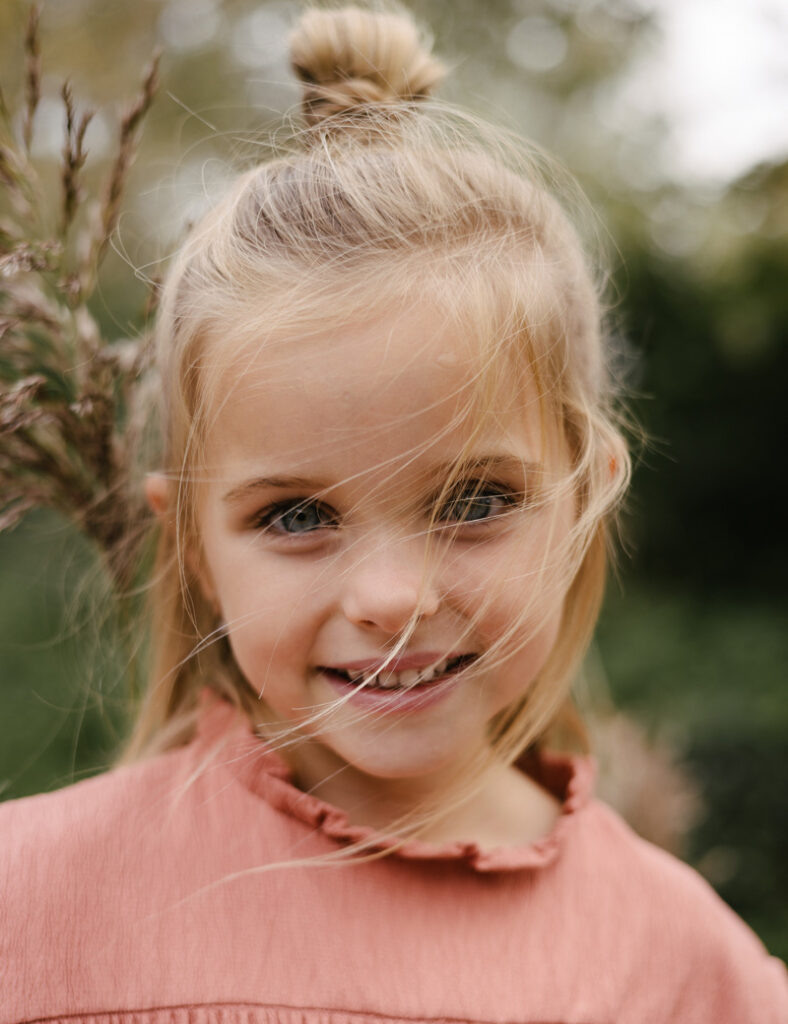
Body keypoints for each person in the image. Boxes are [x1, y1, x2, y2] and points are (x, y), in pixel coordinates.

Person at [2, 6, 786, 1022]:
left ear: (583, 497)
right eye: (294, 516)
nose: (388, 597)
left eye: (473, 501)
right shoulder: (30, 904)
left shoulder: (684, 965)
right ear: (190, 545)